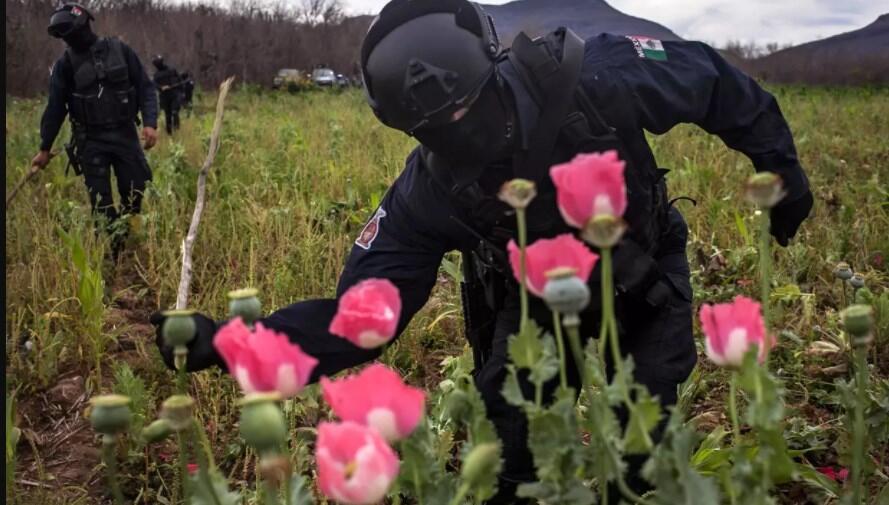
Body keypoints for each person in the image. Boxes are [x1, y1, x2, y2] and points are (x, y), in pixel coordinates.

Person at [152, 0, 814, 502]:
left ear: (492, 72)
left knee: (638, 451)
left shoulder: (594, 76)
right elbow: (359, 318)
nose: (462, 132)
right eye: (439, 128)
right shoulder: (425, 192)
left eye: (469, 110)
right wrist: (229, 344)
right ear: (408, 126)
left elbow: (717, 86)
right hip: (526, 313)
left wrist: (783, 178)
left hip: (638, 287)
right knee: (513, 462)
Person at [32, 2, 158, 256]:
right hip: (90, 141)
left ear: (83, 24)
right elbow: (56, 108)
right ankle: (114, 251)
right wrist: (44, 148)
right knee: (101, 203)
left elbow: (145, 87)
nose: (68, 40)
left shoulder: (120, 50)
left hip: (124, 135)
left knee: (134, 190)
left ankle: (128, 233)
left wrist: (150, 123)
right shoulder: (65, 65)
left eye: (69, 32)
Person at [152, 55, 182, 134]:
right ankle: (169, 133)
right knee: (167, 115)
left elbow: (179, 80)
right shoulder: (156, 75)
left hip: (174, 94)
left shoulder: (171, 70)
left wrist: (179, 90)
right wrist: (161, 87)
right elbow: (154, 84)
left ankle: (177, 129)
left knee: (174, 112)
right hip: (164, 97)